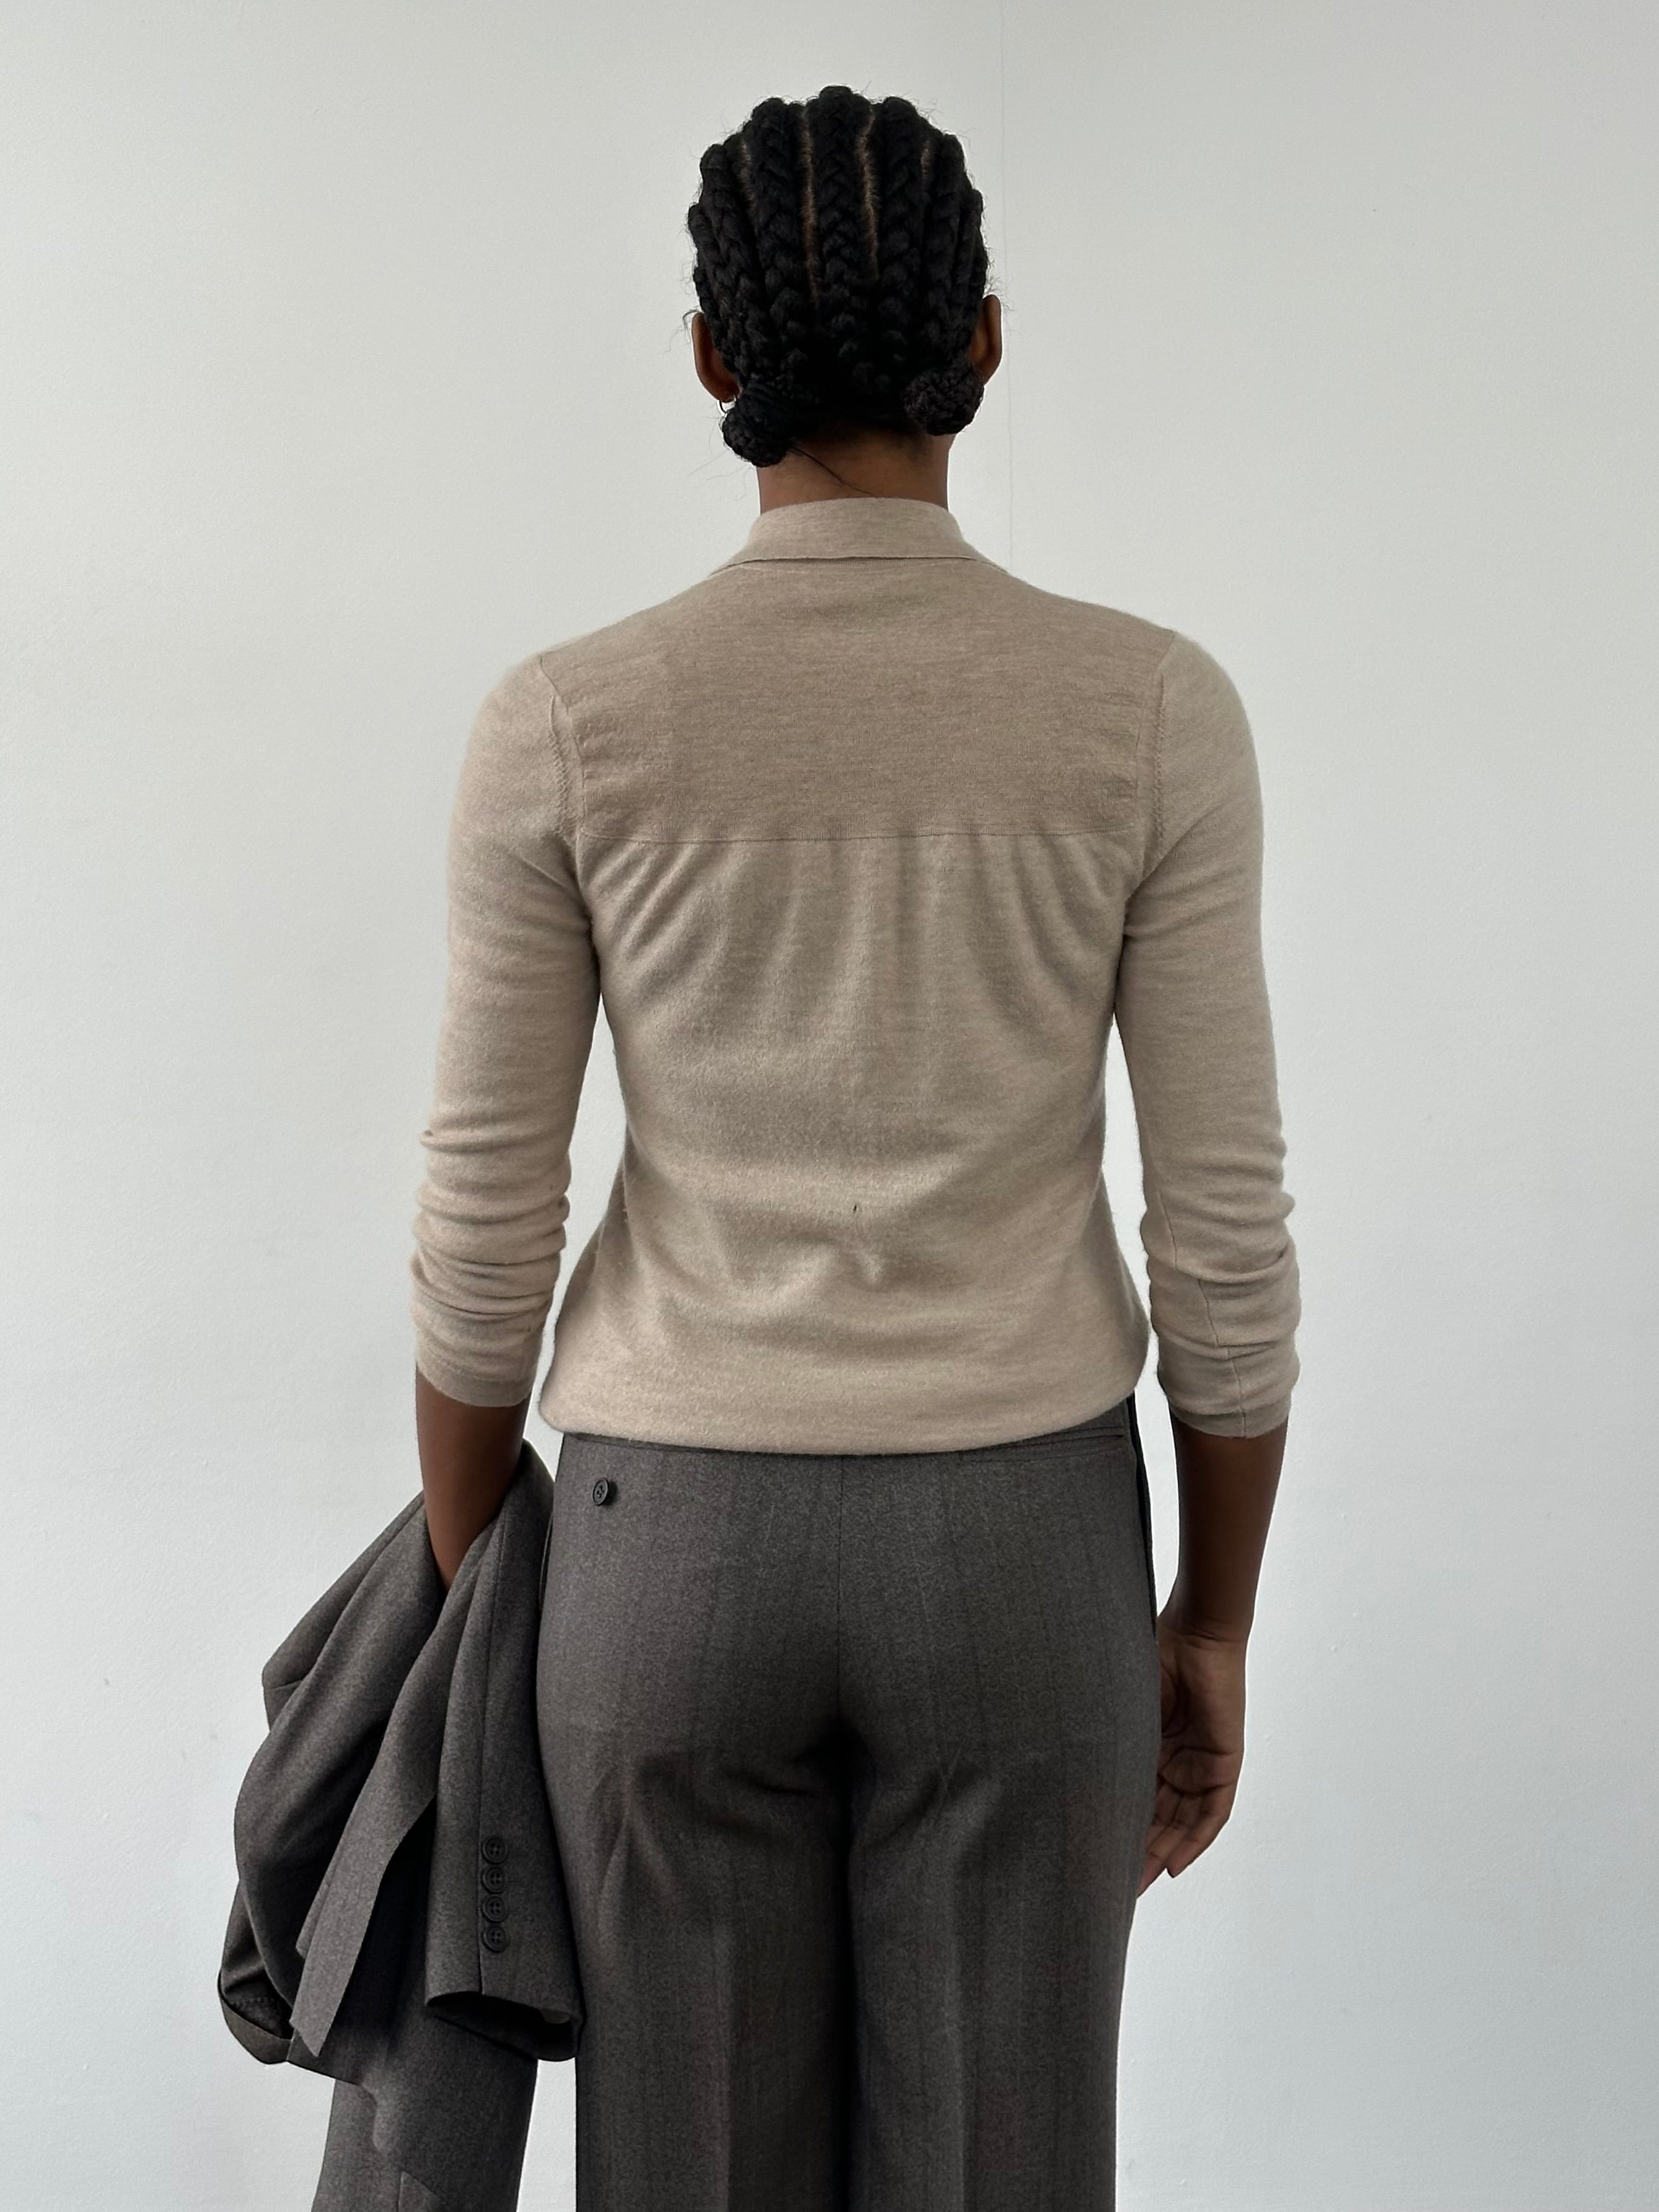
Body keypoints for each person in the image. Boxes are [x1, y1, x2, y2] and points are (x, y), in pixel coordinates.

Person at [406, 83, 1299, 2212]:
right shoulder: (1148, 709)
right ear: (980, 339)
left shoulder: (569, 721)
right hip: (1021, 1547)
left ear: (713, 356)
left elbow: (484, 1226)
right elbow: (1223, 1240)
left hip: (661, 1548)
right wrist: (1210, 1619)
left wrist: (474, 1581)